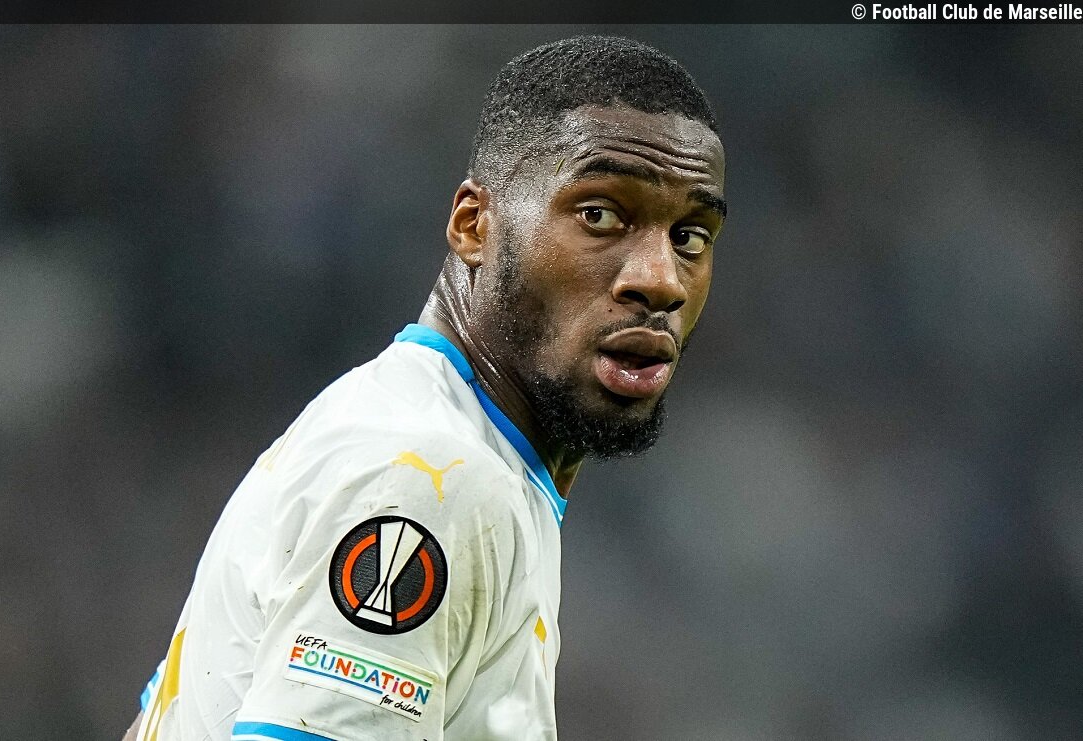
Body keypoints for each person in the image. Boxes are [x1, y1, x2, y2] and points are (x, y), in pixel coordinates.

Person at [125, 34, 727, 741]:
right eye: (599, 214)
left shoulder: (409, 429)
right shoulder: (430, 478)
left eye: (690, 236)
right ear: (474, 226)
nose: (659, 279)